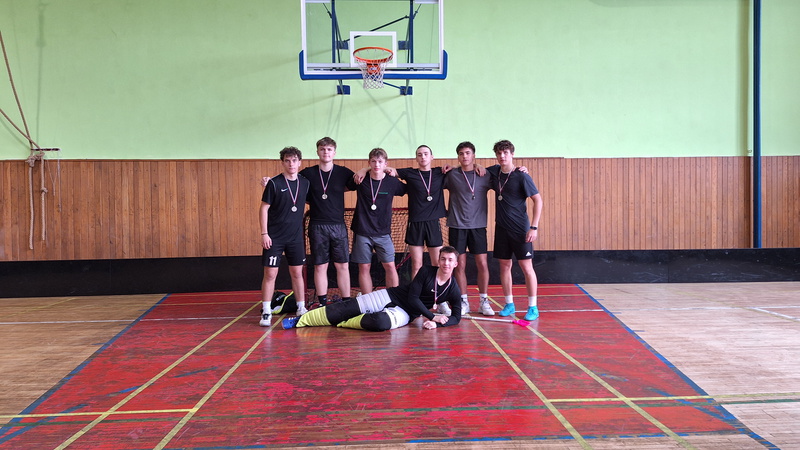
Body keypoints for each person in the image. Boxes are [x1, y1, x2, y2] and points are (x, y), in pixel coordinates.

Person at [282, 246, 462, 331]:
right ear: (438, 260)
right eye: (443, 259)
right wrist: (432, 316)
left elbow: (456, 317)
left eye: (450, 260)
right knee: (344, 308)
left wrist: (438, 323)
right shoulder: (426, 271)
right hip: (392, 296)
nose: (446, 263)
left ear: (456, 263)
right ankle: (300, 321)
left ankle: (342, 323)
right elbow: (413, 298)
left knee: (379, 323)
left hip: (406, 313)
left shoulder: (453, 289)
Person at [486, 139, 543, 321]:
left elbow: (538, 200)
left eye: (506, 153)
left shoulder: (521, 176)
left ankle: (533, 307)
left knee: (527, 268)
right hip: (502, 229)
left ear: (512, 154)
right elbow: (476, 168)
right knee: (504, 266)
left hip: (521, 230)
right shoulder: (494, 172)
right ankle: (509, 303)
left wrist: (533, 227)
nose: (502, 156)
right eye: (499, 153)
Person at [259, 146, 311, 326]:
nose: (291, 164)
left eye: (294, 160)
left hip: (295, 238)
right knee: (270, 273)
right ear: (282, 163)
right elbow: (264, 209)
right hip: (275, 237)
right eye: (287, 161)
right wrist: (264, 233)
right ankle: (266, 310)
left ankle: (301, 307)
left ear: (299, 162)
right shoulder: (274, 183)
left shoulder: (305, 183)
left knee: (297, 273)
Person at [443, 141, 495, 316]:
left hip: (478, 226)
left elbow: (504, 172)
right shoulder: (451, 175)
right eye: (461, 154)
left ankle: (483, 301)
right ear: (458, 157)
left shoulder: (485, 174)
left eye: (467, 153)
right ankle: (463, 300)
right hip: (457, 226)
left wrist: (521, 169)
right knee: (460, 265)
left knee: (482, 263)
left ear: (473, 155)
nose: (464, 156)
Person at [350, 148, 406, 294]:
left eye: (380, 162)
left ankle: (393, 299)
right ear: (369, 162)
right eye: (373, 161)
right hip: (362, 231)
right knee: (364, 267)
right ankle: (367, 300)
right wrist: (363, 170)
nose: (377, 165)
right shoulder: (361, 179)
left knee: (390, 266)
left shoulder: (392, 182)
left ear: (386, 163)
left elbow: (410, 188)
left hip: (383, 232)